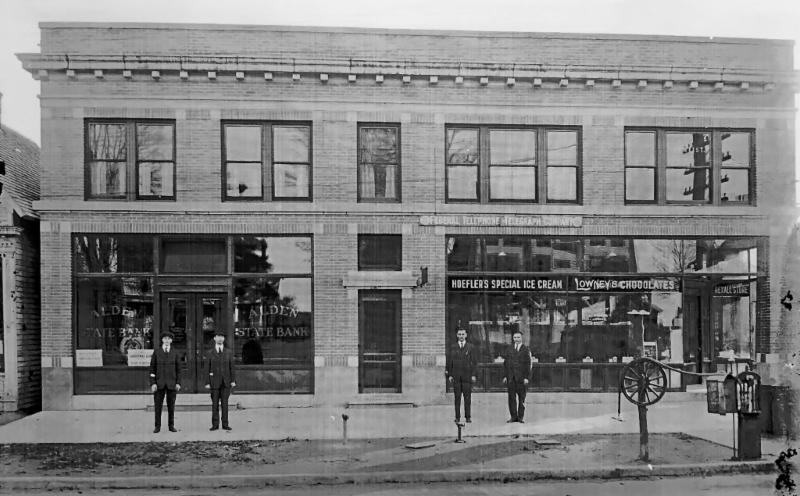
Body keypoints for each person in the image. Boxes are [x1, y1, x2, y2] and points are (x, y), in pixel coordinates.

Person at [204, 330, 236, 431]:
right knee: (215, 404)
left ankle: (225, 424)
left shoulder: (229, 352)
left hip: (226, 382)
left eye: (222, 337)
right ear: (214, 338)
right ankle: (215, 425)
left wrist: (233, 380)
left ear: (224, 339)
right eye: (218, 336)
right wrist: (207, 382)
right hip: (214, 382)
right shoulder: (209, 353)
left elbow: (232, 367)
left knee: (225, 404)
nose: (220, 338)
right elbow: (206, 368)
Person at [149, 331, 181, 433]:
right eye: (165, 338)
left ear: (171, 341)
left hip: (172, 383)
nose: (167, 341)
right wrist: (153, 383)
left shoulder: (175, 353)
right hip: (159, 384)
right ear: (162, 340)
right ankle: (157, 426)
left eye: (169, 339)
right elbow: (152, 369)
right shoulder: (157, 352)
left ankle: (171, 426)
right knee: (158, 406)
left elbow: (179, 370)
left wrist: (178, 383)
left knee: (171, 406)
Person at [445, 327, 477, 423]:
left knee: (467, 398)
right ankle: (457, 417)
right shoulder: (453, 347)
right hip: (456, 376)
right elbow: (449, 362)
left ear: (466, 335)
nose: (461, 336)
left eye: (463, 334)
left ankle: (468, 417)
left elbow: (474, 362)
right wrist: (450, 375)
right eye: (459, 334)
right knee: (457, 398)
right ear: (457, 335)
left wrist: (473, 375)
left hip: (467, 376)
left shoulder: (471, 347)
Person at [503, 330, 531, 423]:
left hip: (521, 378)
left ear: (521, 338)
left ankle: (520, 417)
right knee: (511, 398)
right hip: (511, 377)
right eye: (515, 337)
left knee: (521, 398)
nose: (516, 339)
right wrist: (505, 376)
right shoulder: (509, 349)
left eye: (518, 337)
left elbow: (528, 364)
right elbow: (506, 363)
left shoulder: (525, 349)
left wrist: (526, 377)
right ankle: (513, 417)